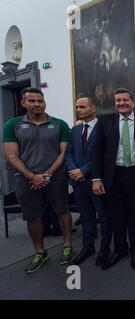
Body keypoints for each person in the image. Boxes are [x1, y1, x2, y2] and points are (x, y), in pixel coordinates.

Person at [3, 87, 74, 273]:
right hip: (26, 179)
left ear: (44, 102)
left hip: (56, 176)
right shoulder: (13, 125)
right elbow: (11, 155)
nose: (36, 104)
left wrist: (48, 173)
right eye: (32, 101)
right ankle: (40, 251)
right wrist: (31, 176)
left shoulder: (59, 124)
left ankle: (67, 245)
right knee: (32, 217)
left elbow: (64, 152)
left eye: (39, 101)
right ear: (23, 103)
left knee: (62, 211)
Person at [92, 88, 135, 270]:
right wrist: (96, 178)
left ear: (133, 102)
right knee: (116, 215)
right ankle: (120, 249)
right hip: (113, 175)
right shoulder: (105, 121)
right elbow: (97, 152)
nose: (121, 103)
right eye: (118, 100)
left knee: (133, 214)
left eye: (125, 100)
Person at [65, 96, 112, 266]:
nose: (78, 110)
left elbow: (105, 155)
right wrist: (73, 170)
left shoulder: (104, 128)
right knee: (86, 216)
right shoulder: (76, 130)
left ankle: (105, 248)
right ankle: (88, 246)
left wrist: (83, 171)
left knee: (104, 216)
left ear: (93, 109)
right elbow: (69, 152)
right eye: (77, 107)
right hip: (78, 182)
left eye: (83, 107)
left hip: (96, 180)